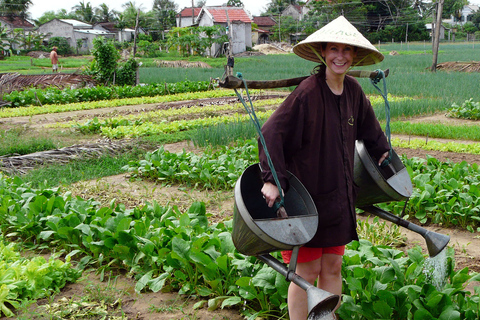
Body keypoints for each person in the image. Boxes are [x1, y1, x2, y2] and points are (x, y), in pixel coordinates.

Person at [258, 16, 390, 320]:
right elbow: (270, 133)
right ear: (323, 53)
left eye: (346, 50)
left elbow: (371, 132)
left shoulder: (354, 91)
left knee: (332, 267)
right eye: (333, 49)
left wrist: (384, 154)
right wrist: (272, 180)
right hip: (307, 199)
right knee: (306, 270)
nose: (340, 56)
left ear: (354, 55)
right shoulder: (307, 93)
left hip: (339, 199)